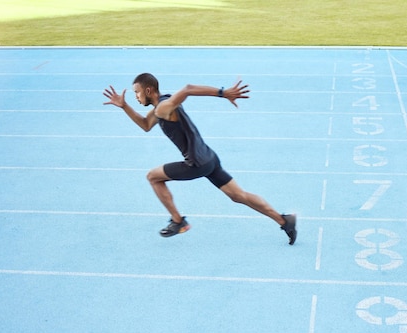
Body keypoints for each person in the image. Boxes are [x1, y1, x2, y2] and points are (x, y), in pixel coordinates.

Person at [103, 73, 296, 245]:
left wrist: (224, 92)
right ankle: (284, 221)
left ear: (148, 90)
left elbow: (188, 89)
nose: (136, 97)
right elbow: (145, 125)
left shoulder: (164, 108)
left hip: (195, 163)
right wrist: (124, 106)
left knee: (153, 177)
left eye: (136, 93)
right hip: (209, 158)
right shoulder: (160, 108)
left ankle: (178, 221)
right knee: (239, 196)